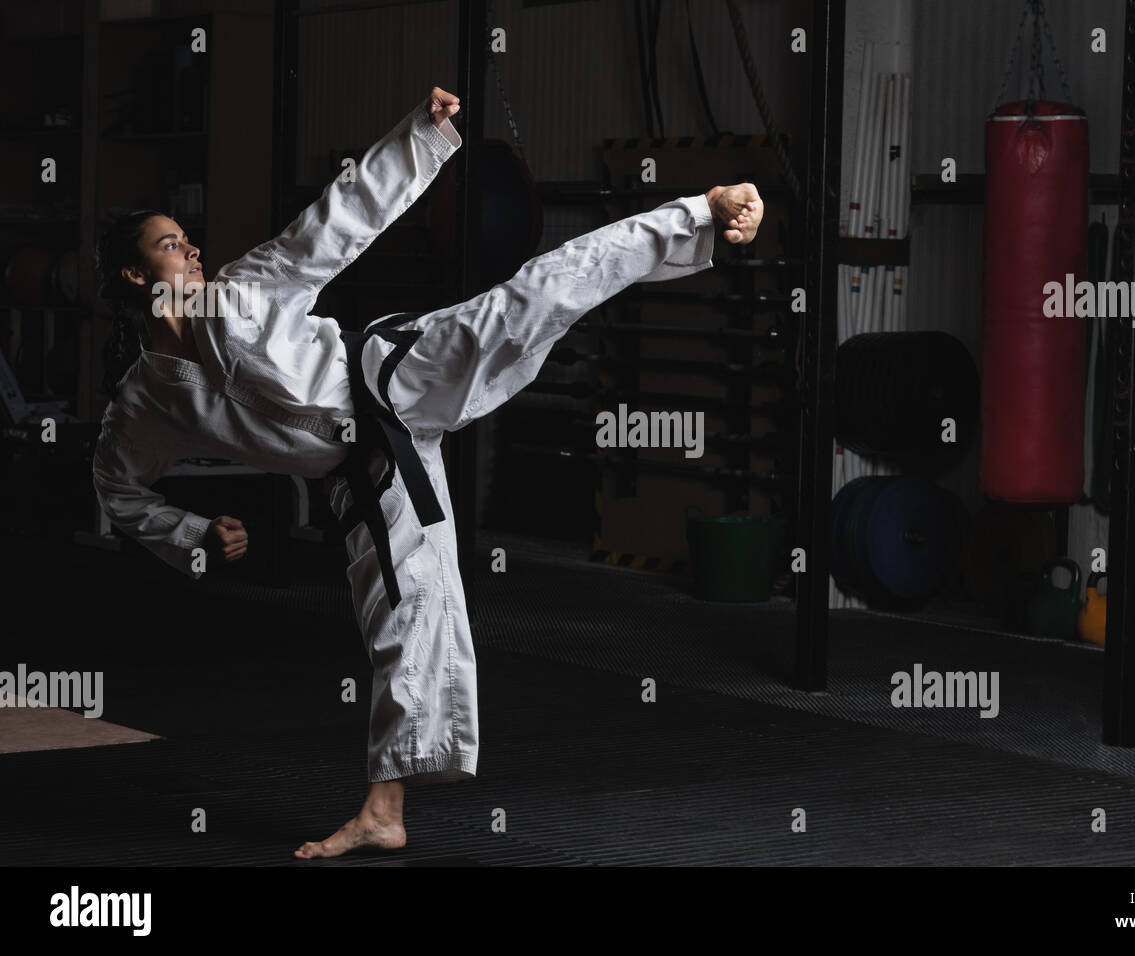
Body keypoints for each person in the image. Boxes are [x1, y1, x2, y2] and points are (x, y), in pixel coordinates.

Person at [92, 86, 763, 859]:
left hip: (391, 377)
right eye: (171, 245)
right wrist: (195, 534)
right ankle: (384, 811)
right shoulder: (143, 405)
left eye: (188, 240)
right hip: (362, 473)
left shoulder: (245, 288)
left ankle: (700, 210)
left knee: (535, 294)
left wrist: (420, 136)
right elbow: (116, 486)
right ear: (137, 280)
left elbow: (336, 222)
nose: (193, 251)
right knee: (405, 617)